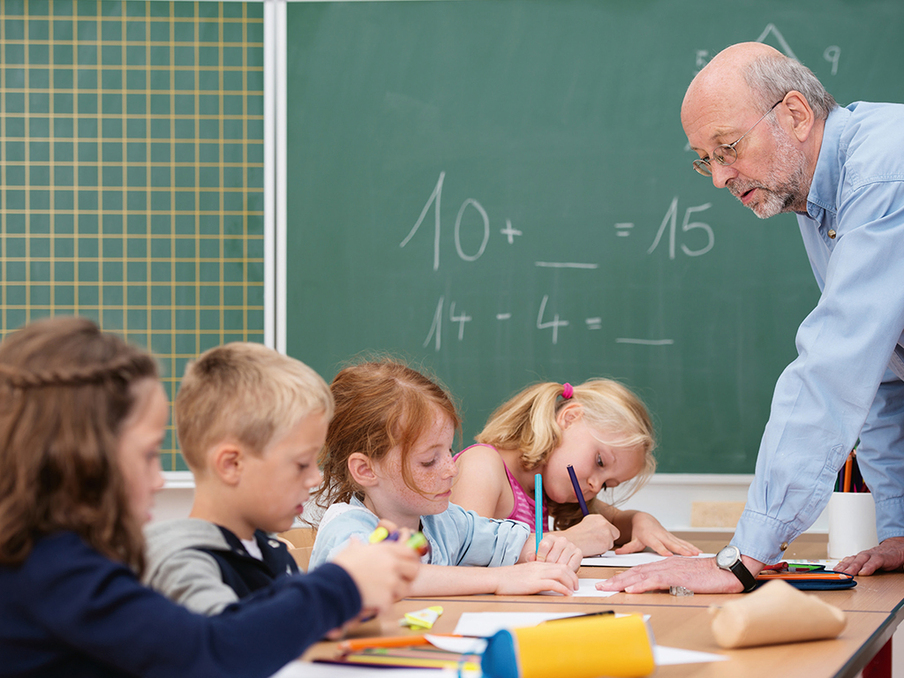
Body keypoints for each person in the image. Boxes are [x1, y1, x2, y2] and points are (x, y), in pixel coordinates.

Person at [602, 41, 904, 594]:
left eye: (728, 147)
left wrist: (744, 558)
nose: (719, 178)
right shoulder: (817, 201)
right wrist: (903, 527)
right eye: (705, 159)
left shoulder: (884, 176)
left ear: (794, 114)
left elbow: (833, 370)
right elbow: (884, 378)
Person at [0, 316, 419, 678]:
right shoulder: (53, 570)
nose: (159, 479)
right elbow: (209, 651)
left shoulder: (55, 560)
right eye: (148, 455)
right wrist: (341, 584)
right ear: (82, 458)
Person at [308, 359, 583, 596]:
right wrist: (500, 579)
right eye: (428, 461)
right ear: (366, 470)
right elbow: (385, 575)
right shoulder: (347, 529)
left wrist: (546, 548)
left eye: (449, 451)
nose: (452, 469)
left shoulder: (444, 522)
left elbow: (504, 540)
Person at [144, 343, 332, 614]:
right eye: (302, 464)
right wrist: (340, 587)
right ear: (232, 465)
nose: (315, 478)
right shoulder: (186, 564)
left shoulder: (270, 552)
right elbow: (228, 638)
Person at [451, 379, 699, 558]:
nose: (595, 485)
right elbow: (464, 554)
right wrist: (567, 539)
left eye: (606, 485)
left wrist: (639, 521)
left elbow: (612, 523)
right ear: (569, 419)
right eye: (600, 462)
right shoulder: (483, 466)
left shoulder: (542, 488)